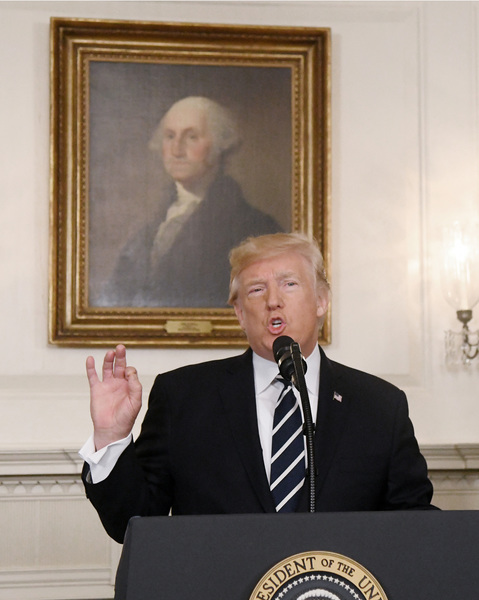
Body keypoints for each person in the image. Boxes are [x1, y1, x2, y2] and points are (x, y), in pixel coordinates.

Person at [80, 232, 436, 544]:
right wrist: (111, 439)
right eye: (256, 289)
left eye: (289, 284)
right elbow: (134, 523)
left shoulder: (379, 405)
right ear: (239, 313)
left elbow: (414, 526)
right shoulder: (183, 397)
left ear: (321, 301)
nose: (273, 300)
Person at [98, 96, 283, 308]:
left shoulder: (256, 228)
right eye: (170, 136)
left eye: (192, 137)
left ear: (219, 145)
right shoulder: (147, 233)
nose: (176, 150)